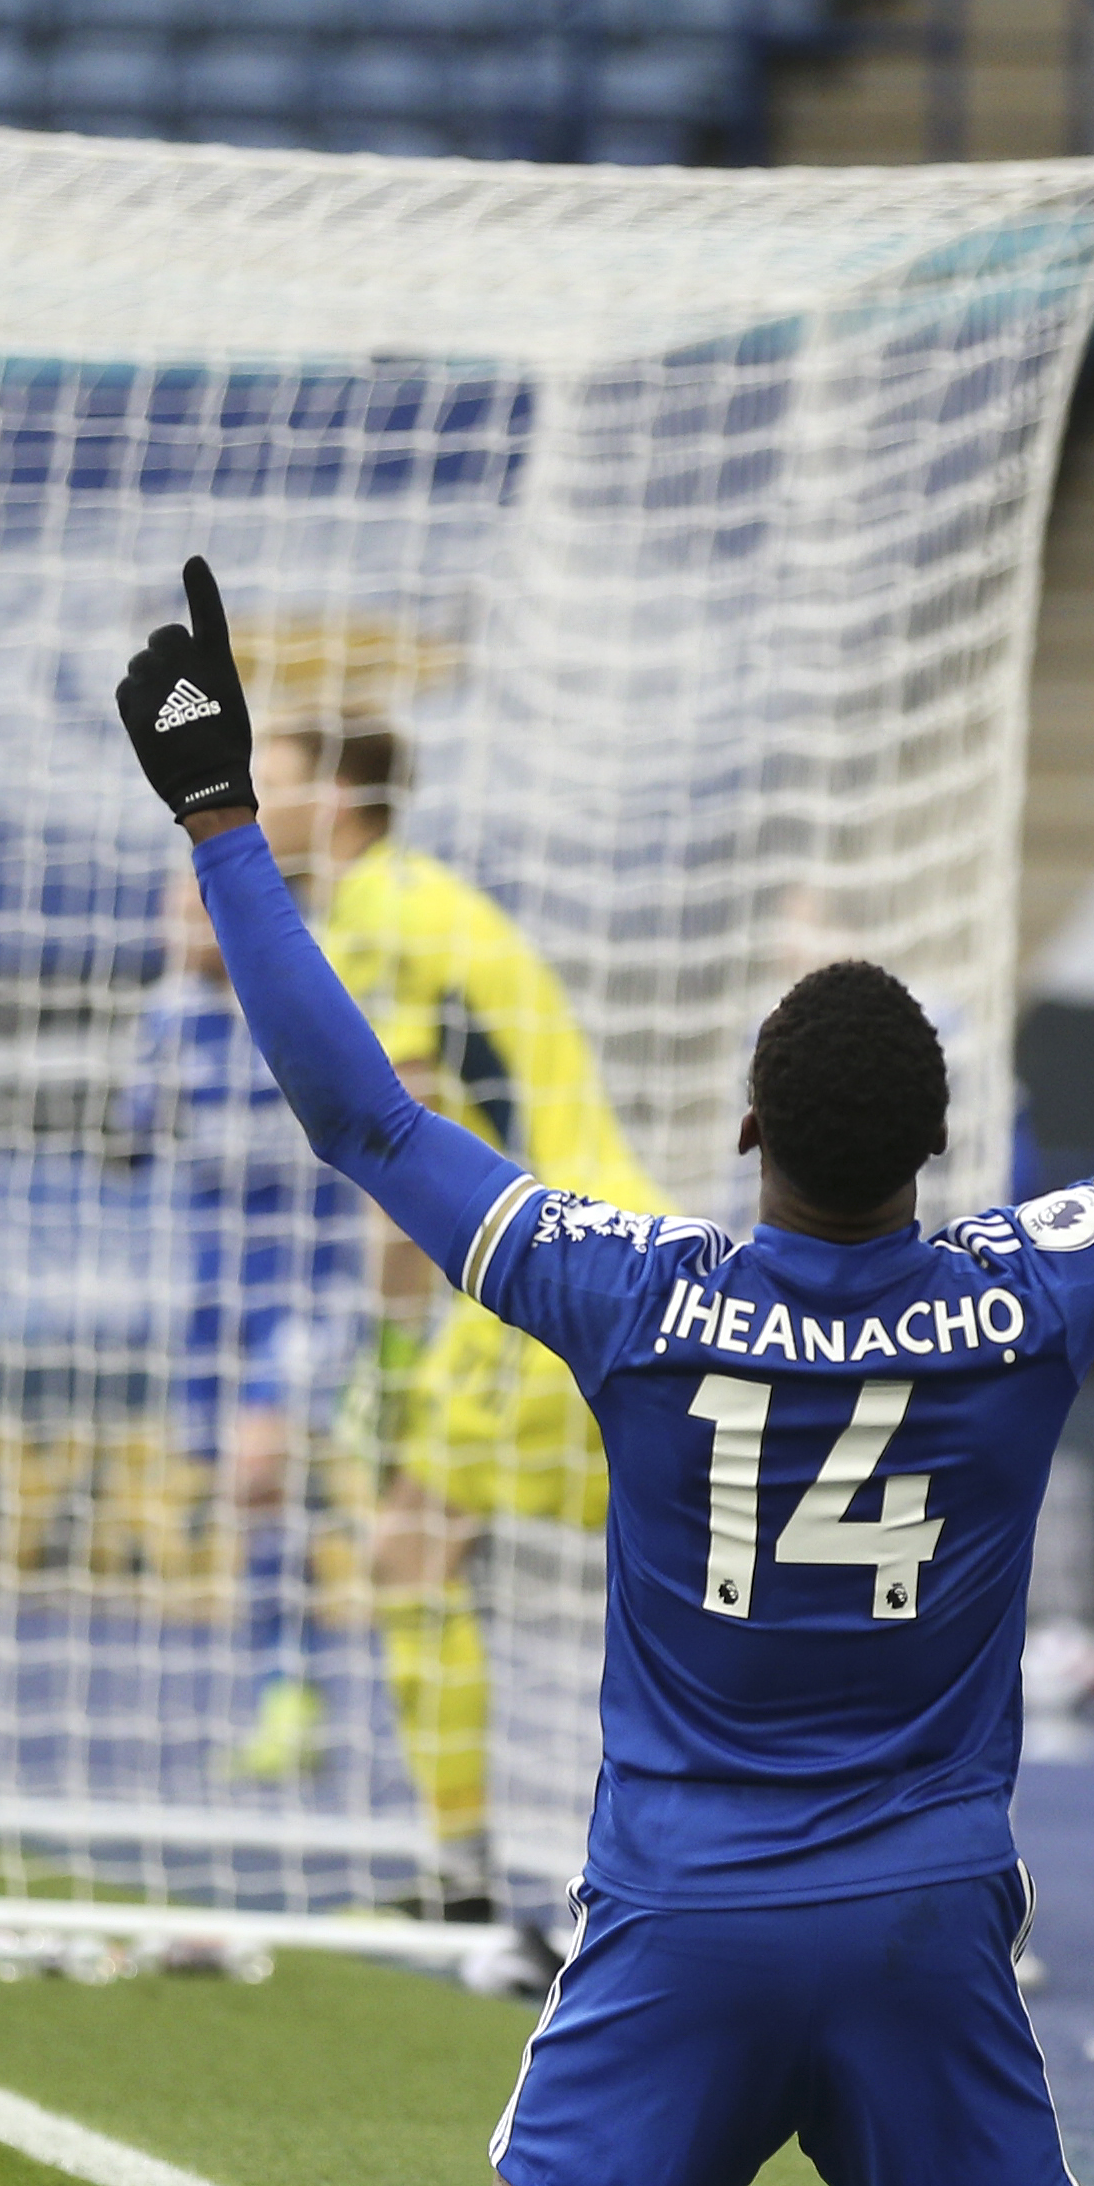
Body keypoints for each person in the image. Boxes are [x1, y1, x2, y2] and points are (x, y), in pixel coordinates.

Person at [112, 536, 1094, 2186]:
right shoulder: (1029, 1291)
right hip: (921, 1900)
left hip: (680, 1897)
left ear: (745, 1126)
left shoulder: (634, 1290)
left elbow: (364, 1116)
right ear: (938, 1143)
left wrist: (221, 814)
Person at [247, 717, 673, 1961]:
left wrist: (389, 1352)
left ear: (336, 797)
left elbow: (405, 1140)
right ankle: (464, 1871)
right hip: (603, 1243)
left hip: (548, 1258)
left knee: (409, 1540)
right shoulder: (422, 900)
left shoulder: (376, 913)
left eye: (269, 775)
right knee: (709, 1538)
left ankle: (463, 1872)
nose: (249, 798)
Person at [109, 871, 365, 1780]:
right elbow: (131, 1143)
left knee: (263, 1472)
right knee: (255, 1500)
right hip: (213, 1293)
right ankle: (286, 1688)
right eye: (169, 908)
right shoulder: (168, 1022)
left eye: (189, 910)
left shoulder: (304, 1005)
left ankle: (296, 1687)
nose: (172, 927)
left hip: (311, 1284)